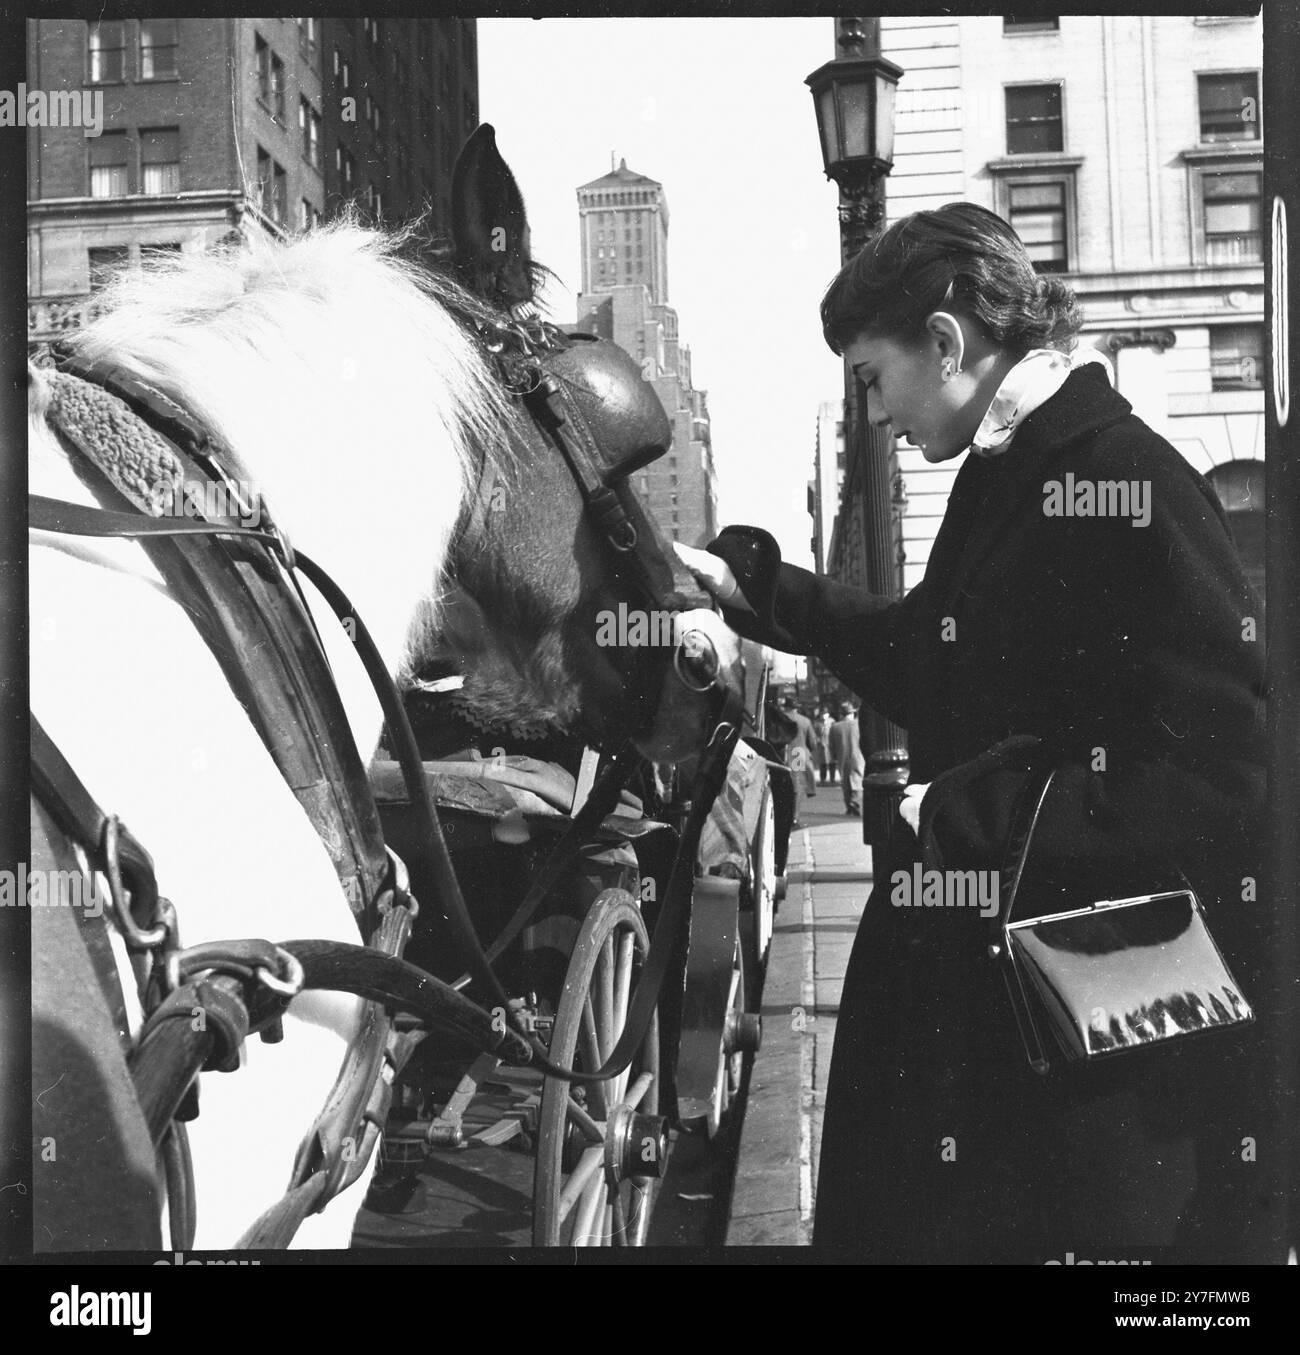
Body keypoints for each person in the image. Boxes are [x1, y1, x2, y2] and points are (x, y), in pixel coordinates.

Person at [675, 202, 1276, 1263]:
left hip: (1076, 1053)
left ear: (946, 342)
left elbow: (1230, 766)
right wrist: (755, 587)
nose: (871, 412)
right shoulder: (1011, 466)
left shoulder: (1122, 474)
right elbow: (930, 652)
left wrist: (989, 808)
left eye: (870, 376)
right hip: (985, 1008)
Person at [827, 702, 863, 816]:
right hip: (858, 757)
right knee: (857, 780)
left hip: (842, 757)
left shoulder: (835, 727)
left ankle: (849, 805)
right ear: (852, 713)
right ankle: (855, 802)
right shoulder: (859, 725)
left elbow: (831, 746)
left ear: (841, 714)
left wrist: (834, 757)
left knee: (845, 781)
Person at [781, 695, 818, 801]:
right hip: (798, 753)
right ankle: (795, 815)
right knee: (797, 784)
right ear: (797, 707)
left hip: (780, 753)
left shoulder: (779, 718)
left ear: (785, 706)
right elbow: (812, 742)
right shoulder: (805, 721)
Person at [814, 708, 834, 785]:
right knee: (823, 763)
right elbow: (814, 734)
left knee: (832, 762)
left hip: (831, 745)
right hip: (822, 745)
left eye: (825, 714)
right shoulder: (817, 723)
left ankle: (832, 779)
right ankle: (823, 779)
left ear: (828, 714)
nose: (823, 715)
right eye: (822, 714)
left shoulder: (832, 721)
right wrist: (818, 740)